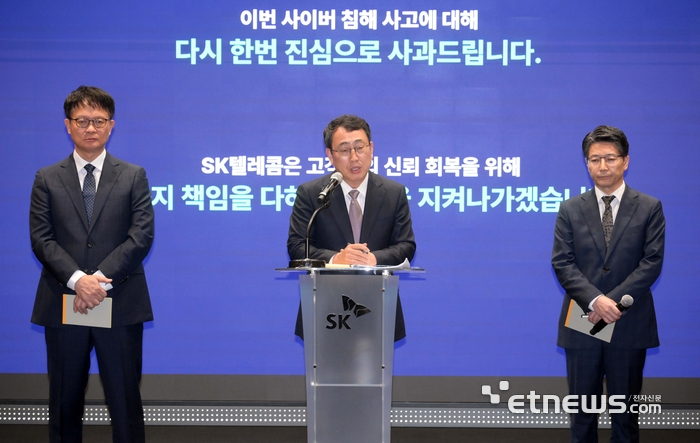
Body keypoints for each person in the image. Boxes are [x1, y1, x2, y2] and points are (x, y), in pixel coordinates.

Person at [29, 86, 155, 443]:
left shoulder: (133, 175)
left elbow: (141, 235)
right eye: (82, 120)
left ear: (111, 126)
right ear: (68, 125)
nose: (90, 128)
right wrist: (76, 280)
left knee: (125, 404)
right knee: (64, 403)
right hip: (64, 302)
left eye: (99, 121)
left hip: (119, 302)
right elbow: (41, 238)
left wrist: (97, 280)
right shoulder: (46, 178)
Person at [552, 125, 665, 442]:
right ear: (587, 163)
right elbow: (562, 263)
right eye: (594, 159)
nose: (602, 166)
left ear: (625, 161)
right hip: (583, 321)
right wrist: (595, 301)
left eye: (610, 158)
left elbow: (651, 262)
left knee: (625, 419)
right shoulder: (570, 209)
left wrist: (611, 302)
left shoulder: (649, 207)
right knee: (581, 418)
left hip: (629, 322)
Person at [287, 114, 416, 340]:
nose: (354, 157)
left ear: (371, 149)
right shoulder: (312, 194)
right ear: (330, 155)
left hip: (378, 301)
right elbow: (297, 246)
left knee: (376, 363)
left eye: (360, 147)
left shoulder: (393, 193)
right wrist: (336, 259)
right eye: (345, 150)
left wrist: (373, 259)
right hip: (325, 304)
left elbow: (406, 245)